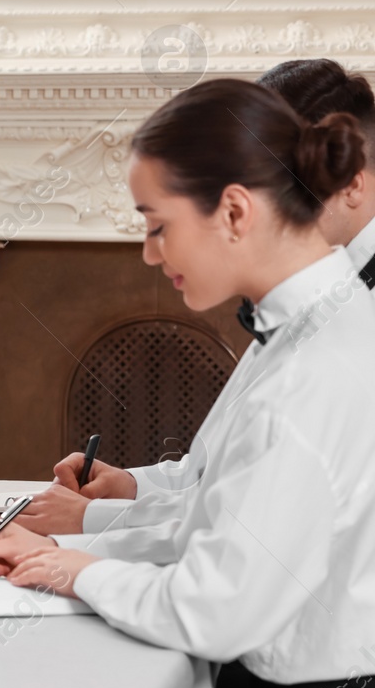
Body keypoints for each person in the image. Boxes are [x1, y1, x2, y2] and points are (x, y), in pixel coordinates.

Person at [0, 79, 375, 688]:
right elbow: (214, 519)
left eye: (157, 224)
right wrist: (58, 548)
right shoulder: (328, 323)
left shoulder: (305, 377)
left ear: (234, 210)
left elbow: (216, 611)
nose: (151, 253)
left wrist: (71, 569)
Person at [20, 59, 375, 536]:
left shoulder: (344, 322)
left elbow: (256, 537)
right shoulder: (303, 291)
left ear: (350, 179)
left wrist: (90, 530)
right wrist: (131, 487)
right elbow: (217, 477)